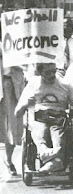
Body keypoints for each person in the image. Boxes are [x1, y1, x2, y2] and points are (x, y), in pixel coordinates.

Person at [14, 63, 73, 172]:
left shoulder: (65, 84)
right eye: (48, 73)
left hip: (58, 115)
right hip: (39, 115)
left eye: (54, 71)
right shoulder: (33, 84)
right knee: (39, 129)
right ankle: (45, 153)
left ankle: (56, 160)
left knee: (57, 131)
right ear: (40, 73)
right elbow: (17, 113)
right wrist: (26, 104)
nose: (52, 75)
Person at [0, 45, 25, 175]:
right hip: (2, 83)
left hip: (13, 85)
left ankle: (9, 160)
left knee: (13, 127)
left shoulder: (16, 41)